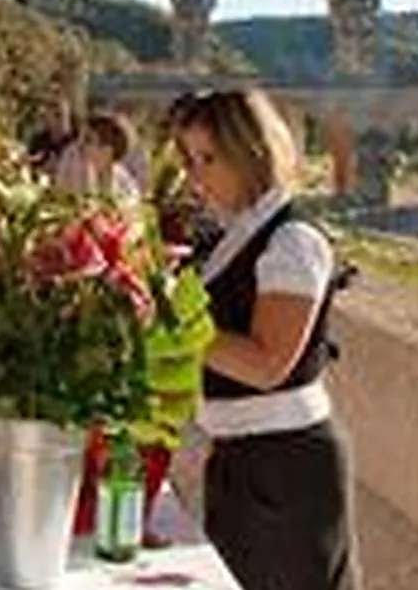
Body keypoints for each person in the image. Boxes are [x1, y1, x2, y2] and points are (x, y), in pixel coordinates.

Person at [170, 90, 359, 590]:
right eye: (190, 160)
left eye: (208, 158)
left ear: (251, 150)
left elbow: (266, 364)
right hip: (243, 457)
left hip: (285, 467)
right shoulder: (238, 233)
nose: (195, 175)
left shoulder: (291, 241)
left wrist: (170, 325)